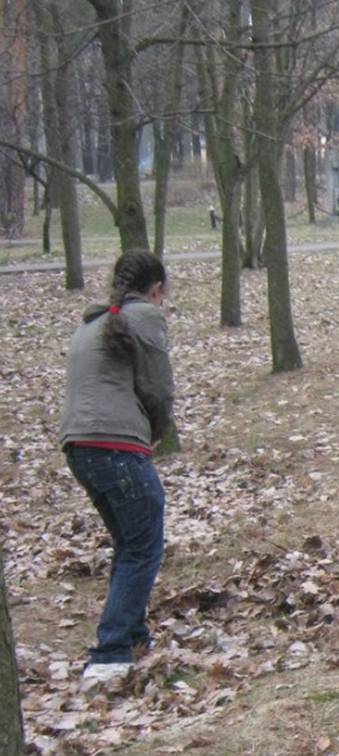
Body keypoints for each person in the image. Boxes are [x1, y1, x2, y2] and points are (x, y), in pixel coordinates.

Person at [60, 249, 177, 689]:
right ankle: (110, 652)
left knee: (129, 543)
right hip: (114, 444)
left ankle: (132, 634)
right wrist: (158, 431)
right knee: (144, 545)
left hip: (79, 446)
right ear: (156, 289)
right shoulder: (144, 316)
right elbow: (158, 387)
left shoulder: (91, 323)